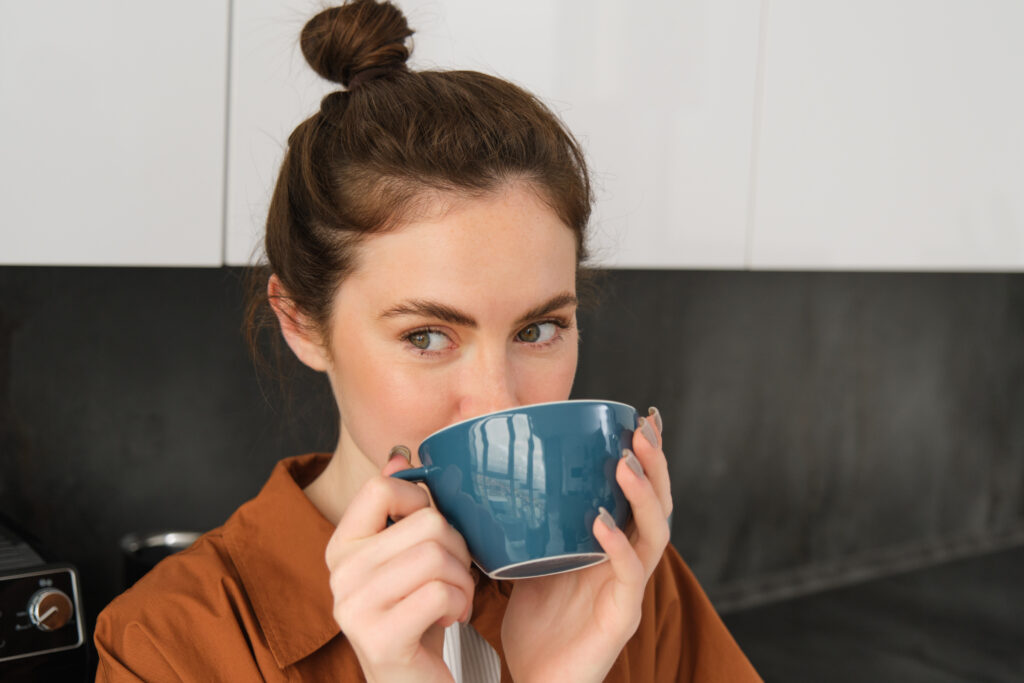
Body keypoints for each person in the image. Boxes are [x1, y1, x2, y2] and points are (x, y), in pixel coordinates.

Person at [94, 1, 759, 681]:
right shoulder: (166, 646)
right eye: (427, 335)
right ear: (300, 322)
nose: (497, 405)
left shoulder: (626, 580)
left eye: (538, 328)